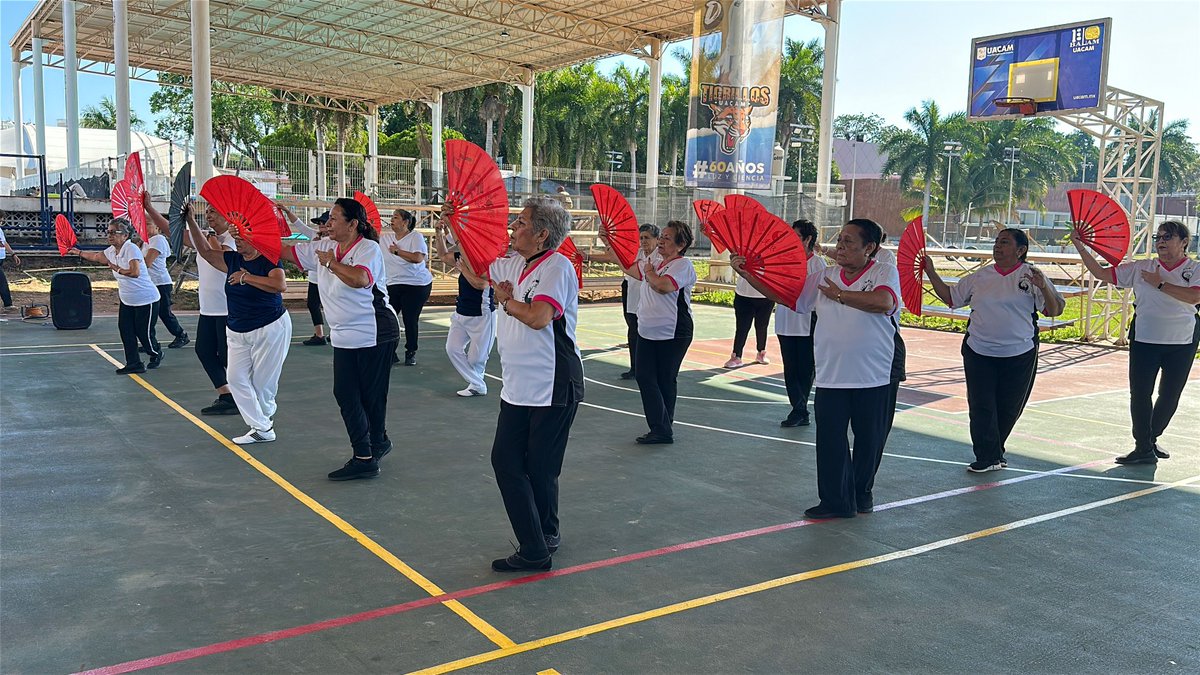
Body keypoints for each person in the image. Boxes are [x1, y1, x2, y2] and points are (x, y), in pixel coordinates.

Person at [484, 196, 584, 572]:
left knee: (535, 467)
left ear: (542, 234)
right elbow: (479, 271)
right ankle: (544, 535)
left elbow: (540, 316)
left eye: (521, 224)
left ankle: (536, 547)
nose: (514, 228)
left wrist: (508, 302)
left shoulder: (557, 267)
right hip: (518, 384)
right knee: (512, 462)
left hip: (552, 382)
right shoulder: (514, 263)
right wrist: (454, 228)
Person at [924, 228, 1065, 472]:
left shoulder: (1031, 276)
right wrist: (931, 271)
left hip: (1019, 353)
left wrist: (1044, 288)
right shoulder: (981, 276)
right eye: (997, 242)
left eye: (1005, 243)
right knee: (981, 405)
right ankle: (987, 456)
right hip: (979, 350)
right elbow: (951, 298)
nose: (997, 247)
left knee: (1009, 407)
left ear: (1021, 251)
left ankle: (996, 452)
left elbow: (1054, 310)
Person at [282, 198, 399, 480]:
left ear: (353, 224)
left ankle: (365, 456)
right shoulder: (324, 247)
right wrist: (250, 236)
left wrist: (332, 264)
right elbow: (287, 252)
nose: (328, 224)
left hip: (375, 331)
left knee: (369, 396)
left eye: (334, 219)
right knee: (347, 393)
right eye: (328, 219)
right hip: (345, 335)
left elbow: (361, 279)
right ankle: (376, 444)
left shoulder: (368, 248)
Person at [1072, 220, 1200, 464]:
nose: (1161, 242)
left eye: (1167, 237)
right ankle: (1142, 446)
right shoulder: (1142, 267)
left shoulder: (1194, 269)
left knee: (1170, 394)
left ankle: (1151, 439)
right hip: (1144, 339)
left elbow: (1195, 296)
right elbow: (1101, 273)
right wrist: (1080, 245)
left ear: (1184, 243)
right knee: (1140, 393)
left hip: (1182, 341)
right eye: (1158, 237)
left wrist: (1160, 283)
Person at [800, 218, 903, 519]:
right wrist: (748, 273)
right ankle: (835, 501)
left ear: (869, 248)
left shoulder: (885, 271)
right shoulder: (824, 275)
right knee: (830, 439)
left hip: (874, 374)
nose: (840, 247)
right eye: (840, 240)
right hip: (832, 374)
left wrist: (841, 296)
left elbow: (884, 301)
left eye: (848, 241)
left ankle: (861, 494)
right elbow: (789, 297)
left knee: (869, 439)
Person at [185, 207, 292, 445]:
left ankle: (262, 423)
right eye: (236, 239)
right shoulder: (232, 259)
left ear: (254, 237)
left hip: (270, 327)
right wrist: (191, 220)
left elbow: (279, 285)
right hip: (236, 330)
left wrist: (247, 277)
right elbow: (204, 251)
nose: (238, 243)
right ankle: (262, 427)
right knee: (235, 379)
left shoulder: (268, 259)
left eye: (242, 240)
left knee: (263, 384)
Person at [730, 219, 827, 427]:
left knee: (805, 368)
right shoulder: (785, 260)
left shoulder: (816, 264)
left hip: (807, 321)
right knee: (790, 368)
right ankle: (798, 409)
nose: (791, 240)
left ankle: (800, 409)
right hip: (786, 320)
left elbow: (811, 295)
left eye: (797, 236)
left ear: (808, 239)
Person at [634, 220, 698, 444]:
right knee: (645, 376)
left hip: (673, 330)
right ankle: (662, 425)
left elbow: (663, 286)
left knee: (664, 379)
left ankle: (662, 427)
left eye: (667, 238)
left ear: (680, 245)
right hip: (647, 329)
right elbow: (634, 270)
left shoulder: (683, 265)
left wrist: (649, 273)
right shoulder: (655, 260)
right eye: (661, 236)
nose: (661, 240)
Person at [69, 220, 161, 373]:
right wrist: (77, 252)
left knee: (143, 334)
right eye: (108, 232)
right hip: (127, 299)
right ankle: (134, 363)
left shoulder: (131, 248)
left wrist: (117, 269)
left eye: (113, 232)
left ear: (125, 235)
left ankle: (156, 353)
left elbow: (134, 272)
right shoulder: (111, 251)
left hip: (146, 299)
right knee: (126, 331)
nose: (109, 235)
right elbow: (97, 257)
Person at [588, 223, 660, 379]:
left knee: (649, 331)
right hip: (633, 293)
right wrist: (606, 241)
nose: (643, 241)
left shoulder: (660, 258)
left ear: (657, 239)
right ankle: (635, 368)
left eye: (647, 237)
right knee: (633, 329)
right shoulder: (636, 253)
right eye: (641, 238)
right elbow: (615, 256)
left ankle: (651, 367)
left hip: (651, 297)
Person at [187, 203, 239, 415]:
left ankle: (242, 396)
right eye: (207, 211)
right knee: (204, 350)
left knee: (229, 357)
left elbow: (220, 259)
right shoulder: (208, 238)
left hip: (226, 308)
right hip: (208, 309)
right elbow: (172, 231)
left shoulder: (232, 240)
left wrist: (209, 238)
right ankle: (226, 394)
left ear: (228, 216)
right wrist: (150, 209)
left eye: (214, 211)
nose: (209, 215)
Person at [434, 219, 496, 397]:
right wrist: (439, 233)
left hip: (482, 316)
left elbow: (480, 285)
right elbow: (443, 255)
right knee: (452, 348)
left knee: (477, 359)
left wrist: (464, 270)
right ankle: (479, 384)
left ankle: (476, 384)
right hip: (461, 313)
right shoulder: (461, 256)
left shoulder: (487, 260)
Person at [380, 208, 433, 366]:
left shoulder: (415, 237)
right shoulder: (385, 238)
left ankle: (411, 351)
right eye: (392, 217)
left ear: (405, 222)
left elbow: (418, 258)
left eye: (395, 217)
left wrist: (398, 251)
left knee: (410, 318)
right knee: (388, 318)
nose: (392, 220)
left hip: (416, 285)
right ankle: (390, 352)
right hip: (393, 284)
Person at [142, 195, 189, 350]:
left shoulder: (158, 240)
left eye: (148, 224)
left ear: (158, 227)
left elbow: (146, 263)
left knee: (163, 313)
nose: (145, 227)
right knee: (150, 314)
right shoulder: (146, 242)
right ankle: (150, 342)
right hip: (151, 283)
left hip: (160, 283)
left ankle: (181, 334)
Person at [280, 205, 329, 346]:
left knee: (333, 306)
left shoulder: (336, 241)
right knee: (313, 305)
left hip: (330, 279)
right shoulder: (314, 236)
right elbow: (299, 225)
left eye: (324, 223)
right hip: (315, 279)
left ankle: (334, 333)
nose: (321, 226)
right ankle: (319, 334)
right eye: (319, 223)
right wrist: (288, 211)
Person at [724, 267, 775, 369]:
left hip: (766, 295)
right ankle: (736, 356)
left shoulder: (771, 254)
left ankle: (761, 351)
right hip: (743, 295)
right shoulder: (744, 252)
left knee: (762, 326)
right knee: (742, 327)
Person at [0, 212, 19, 311]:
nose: (1, 221)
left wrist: (13, 254)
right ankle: (8, 304)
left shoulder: (0, 231)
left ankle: (8, 304)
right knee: (2, 281)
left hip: (1, 259)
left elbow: (4, 243)